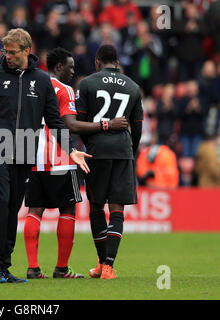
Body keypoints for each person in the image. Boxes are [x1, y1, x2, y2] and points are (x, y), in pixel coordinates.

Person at [0, 28, 90, 284]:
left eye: (12, 52)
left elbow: (56, 121)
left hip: (25, 151)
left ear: (27, 51)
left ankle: (3, 267)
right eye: (5, 52)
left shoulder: (42, 81)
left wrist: (70, 149)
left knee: (13, 208)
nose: (7, 57)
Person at [23, 47, 128, 279]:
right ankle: (61, 268)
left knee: (34, 210)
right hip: (61, 156)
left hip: (32, 157)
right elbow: (69, 124)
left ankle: (32, 267)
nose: (73, 72)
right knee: (68, 209)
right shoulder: (65, 89)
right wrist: (104, 125)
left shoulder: (31, 85)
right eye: (70, 67)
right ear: (59, 67)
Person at [75, 44, 143, 279]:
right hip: (123, 151)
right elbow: (137, 129)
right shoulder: (133, 87)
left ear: (97, 61)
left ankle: (102, 262)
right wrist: (129, 150)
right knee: (117, 208)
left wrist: (91, 143)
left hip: (97, 151)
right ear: (117, 63)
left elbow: (78, 123)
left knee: (96, 206)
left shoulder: (87, 83)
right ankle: (108, 267)